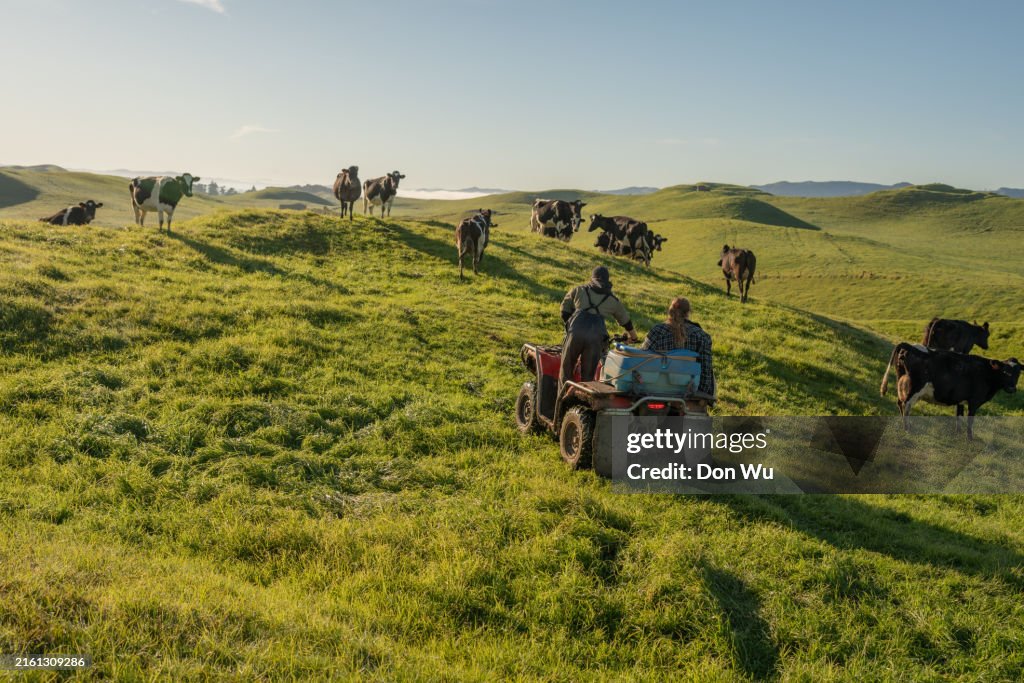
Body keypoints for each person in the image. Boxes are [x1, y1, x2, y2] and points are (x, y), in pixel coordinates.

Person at [559, 266, 638, 384]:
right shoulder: (613, 300)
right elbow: (626, 322)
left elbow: (564, 311)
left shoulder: (579, 290)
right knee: (588, 379)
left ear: (592, 278)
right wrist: (634, 337)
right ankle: (584, 399)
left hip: (575, 335)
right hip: (595, 339)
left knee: (566, 372)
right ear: (607, 281)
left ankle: (562, 399)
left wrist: (571, 326)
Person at [642, 296, 716, 396]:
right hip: (690, 392)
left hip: (654, 389)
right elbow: (706, 370)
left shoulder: (657, 331)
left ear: (670, 311)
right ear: (688, 313)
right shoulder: (702, 336)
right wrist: (701, 394)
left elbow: (642, 359)